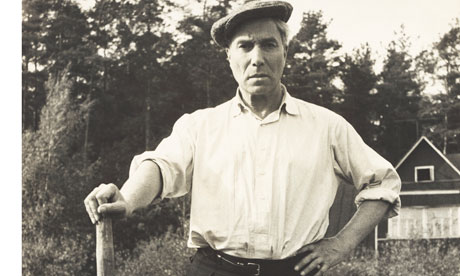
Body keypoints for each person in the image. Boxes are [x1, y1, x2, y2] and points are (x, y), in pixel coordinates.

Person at [84, 1, 401, 275]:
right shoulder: (200, 126)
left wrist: (340, 246)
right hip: (214, 271)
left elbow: (383, 184)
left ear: (285, 51)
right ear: (229, 57)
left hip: (295, 271)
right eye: (245, 46)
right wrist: (127, 199)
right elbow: (160, 167)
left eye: (268, 45)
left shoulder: (327, 127)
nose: (257, 57)